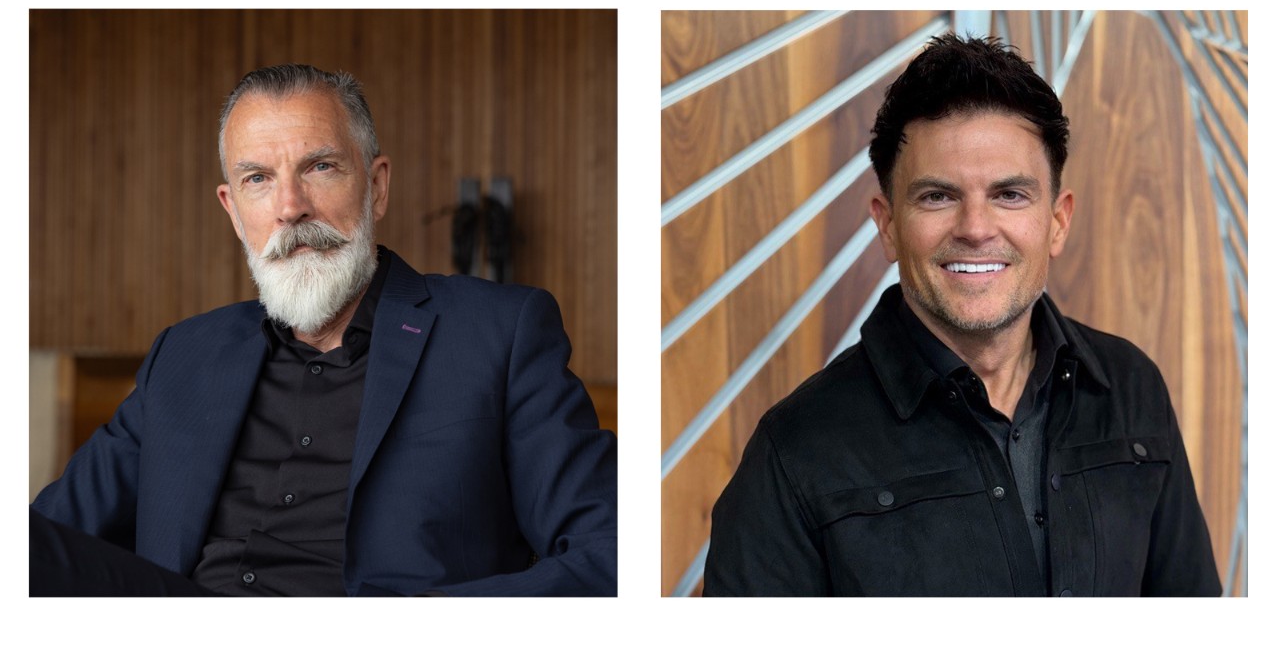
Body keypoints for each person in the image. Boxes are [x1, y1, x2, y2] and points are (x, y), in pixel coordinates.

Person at [30, 63, 617, 597]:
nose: (291, 207)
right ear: (233, 211)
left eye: (320, 167)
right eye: (258, 179)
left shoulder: (498, 333)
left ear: (377, 186)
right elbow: (51, 540)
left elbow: (608, 552)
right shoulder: (184, 354)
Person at [702, 34, 1220, 597]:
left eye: (1010, 195)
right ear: (888, 226)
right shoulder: (793, 452)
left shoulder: (1132, 390)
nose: (975, 228)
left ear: (1058, 221)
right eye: (938, 197)